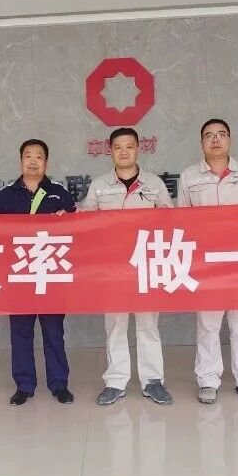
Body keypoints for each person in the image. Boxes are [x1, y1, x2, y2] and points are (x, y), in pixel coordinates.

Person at [179, 118, 238, 404]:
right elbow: (181, 220)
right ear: (201, 143)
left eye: (221, 134)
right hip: (206, 262)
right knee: (208, 324)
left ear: (230, 139)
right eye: (209, 135)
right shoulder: (189, 176)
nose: (215, 140)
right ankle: (208, 380)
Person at [79, 127, 174, 406]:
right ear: (110, 151)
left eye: (129, 146)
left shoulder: (154, 183)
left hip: (146, 264)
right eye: (118, 147)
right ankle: (116, 381)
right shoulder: (99, 185)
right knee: (115, 325)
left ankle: (153, 381)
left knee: (148, 325)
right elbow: (85, 220)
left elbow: (170, 218)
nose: (123, 152)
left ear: (137, 149)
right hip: (112, 267)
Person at [0, 138, 77, 405]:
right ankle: (24, 385)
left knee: (54, 332)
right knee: (20, 333)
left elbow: (78, 231)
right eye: (28, 156)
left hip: (50, 275)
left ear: (46, 162)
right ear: (20, 161)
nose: (33, 161)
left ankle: (59, 384)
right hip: (19, 276)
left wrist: (68, 220)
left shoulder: (59, 193)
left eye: (39, 156)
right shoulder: (6, 196)